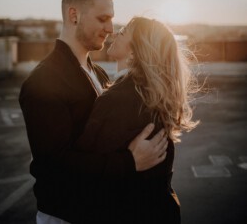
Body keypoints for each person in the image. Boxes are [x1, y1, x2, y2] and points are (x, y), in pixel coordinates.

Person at [19, 0, 168, 224]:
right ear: (74, 15)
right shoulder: (43, 81)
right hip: (64, 216)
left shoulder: (97, 73)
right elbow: (53, 168)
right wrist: (129, 163)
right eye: (103, 19)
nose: (111, 28)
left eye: (111, 19)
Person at [77, 16, 200, 223]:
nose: (115, 33)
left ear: (135, 51)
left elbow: (83, 173)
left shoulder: (118, 100)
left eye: (123, 32)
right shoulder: (151, 96)